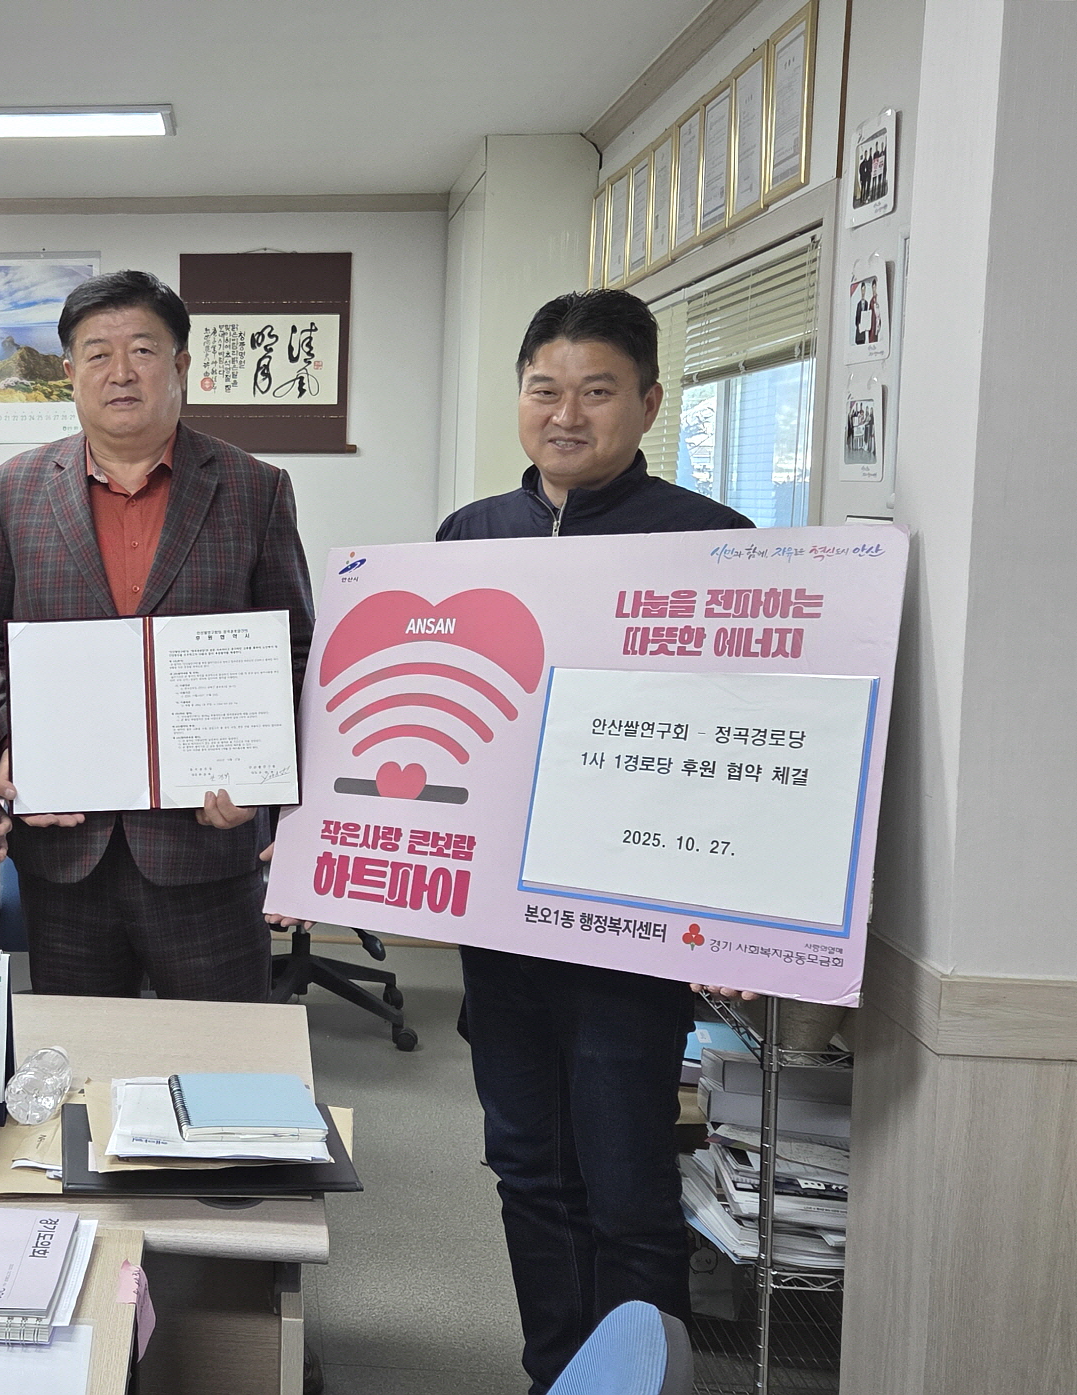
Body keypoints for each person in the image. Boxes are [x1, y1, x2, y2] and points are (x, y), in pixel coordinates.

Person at [436, 289, 754, 1394]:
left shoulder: (714, 544)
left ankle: (638, 1378)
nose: (565, 413)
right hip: (498, 920)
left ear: (649, 402)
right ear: (518, 398)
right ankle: (549, 1373)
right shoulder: (468, 537)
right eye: (544, 389)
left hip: (629, 925)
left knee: (623, 1183)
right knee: (527, 1170)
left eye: (596, 390)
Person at [0, 269, 315, 1001]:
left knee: (225, 1064)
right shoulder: (11, 489)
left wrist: (271, 779)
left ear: (181, 366)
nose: (121, 372)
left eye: (143, 350)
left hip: (207, 841)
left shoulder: (255, 487)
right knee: (79, 1069)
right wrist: (1, 743)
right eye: (97, 353)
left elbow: (296, 654)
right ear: (67, 373)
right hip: (65, 848)